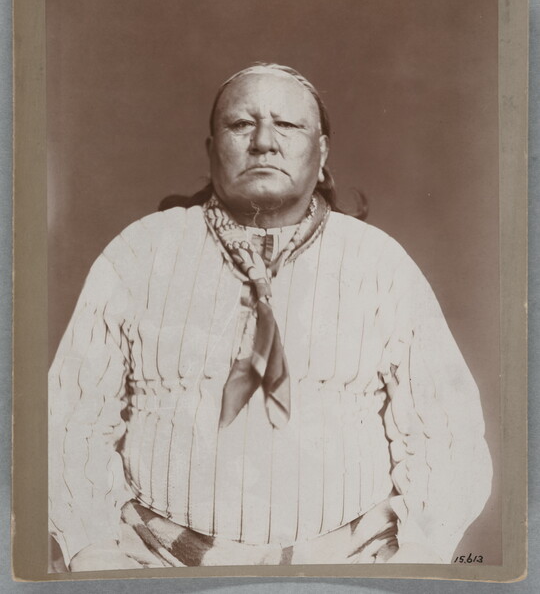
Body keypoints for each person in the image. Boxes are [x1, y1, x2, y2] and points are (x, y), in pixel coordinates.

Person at [48, 63, 492, 571]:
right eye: (241, 124)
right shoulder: (139, 254)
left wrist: (421, 550)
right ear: (212, 149)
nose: (263, 142)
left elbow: (445, 428)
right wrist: (92, 546)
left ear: (321, 154)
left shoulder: (379, 264)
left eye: (287, 125)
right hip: (153, 559)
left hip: (355, 560)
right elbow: (71, 420)